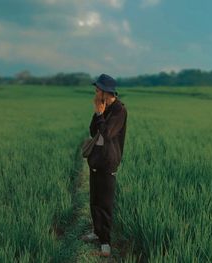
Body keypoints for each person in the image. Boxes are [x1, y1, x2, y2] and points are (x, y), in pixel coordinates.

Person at [80, 73, 128, 257]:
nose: (95, 92)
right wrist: (98, 113)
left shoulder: (119, 110)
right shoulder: (103, 107)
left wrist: (100, 114)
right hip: (96, 159)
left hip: (109, 162)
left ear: (107, 92)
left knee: (105, 203)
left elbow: (107, 134)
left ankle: (105, 241)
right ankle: (96, 232)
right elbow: (93, 131)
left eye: (98, 89)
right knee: (94, 199)